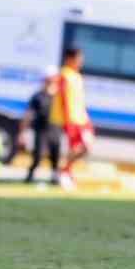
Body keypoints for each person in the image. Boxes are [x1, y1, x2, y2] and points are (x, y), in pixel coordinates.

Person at [50, 45, 95, 190]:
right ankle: (65, 172)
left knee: (86, 146)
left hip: (82, 119)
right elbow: (63, 98)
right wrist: (67, 119)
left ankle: (65, 170)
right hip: (72, 120)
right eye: (78, 58)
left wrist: (87, 118)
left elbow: (79, 100)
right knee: (78, 147)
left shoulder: (77, 76)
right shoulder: (64, 75)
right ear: (69, 59)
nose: (81, 61)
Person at [19, 67, 62, 184]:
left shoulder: (59, 95)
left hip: (55, 128)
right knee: (38, 155)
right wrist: (22, 133)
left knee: (55, 156)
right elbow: (28, 115)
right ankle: (30, 177)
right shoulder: (38, 96)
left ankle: (55, 178)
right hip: (41, 129)